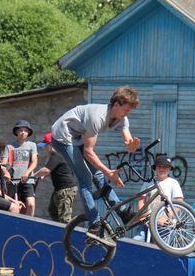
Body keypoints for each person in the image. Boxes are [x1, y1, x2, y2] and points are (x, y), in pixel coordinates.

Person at [50, 87, 141, 231]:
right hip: (62, 136)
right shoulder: (97, 117)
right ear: (116, 104)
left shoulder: (122, 119)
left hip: (78, 136)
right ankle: (95, 222)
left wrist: (132, 146)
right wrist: (109, 172)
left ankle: (122, 211)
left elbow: (128, 143)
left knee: (98, 175)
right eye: (126, 110)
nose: (127, 114)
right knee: (85, 177)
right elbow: (88, 152)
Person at [133, 154, 184, 242]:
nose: (161, 169)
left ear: (169, 169)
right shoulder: (148, 183)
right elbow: (142, 200)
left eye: (165, 167)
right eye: (159, 166)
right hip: (147, 221)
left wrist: (166, 218)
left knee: (159, 250)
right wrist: (142, 216)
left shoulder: (173, 183)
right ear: (155, 168)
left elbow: (179, 203)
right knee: (136, 241)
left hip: (165, 223)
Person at [34, 133, 78, 223]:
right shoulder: (57, 155)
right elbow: (54, 170)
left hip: (66, 189)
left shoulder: (56, 155)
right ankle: (60, 229)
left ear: (51, 144)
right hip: (59, 189)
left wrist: (33, 175)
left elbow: (46, 170)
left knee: (64, 218)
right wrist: (44, 176)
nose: (44, 148)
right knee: (53, 211)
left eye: (45, 145)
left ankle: (68, 234)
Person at [8, 120, 39, 216]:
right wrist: (6, 172)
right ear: (16, 132)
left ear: (28, 133)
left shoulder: (32, 145)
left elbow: (34, 162)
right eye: (20, 130)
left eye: (25, 130)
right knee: (16, 207)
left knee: (31, 204)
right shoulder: (9, 146)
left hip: (27, 180)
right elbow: (4, 163)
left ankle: (29, 224)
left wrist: (27, 173)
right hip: (13, 181)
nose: (23, 132)